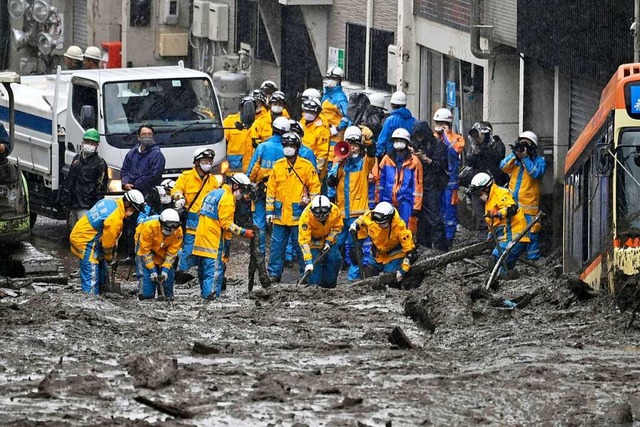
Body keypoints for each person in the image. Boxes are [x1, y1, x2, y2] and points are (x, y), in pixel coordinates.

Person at [266, 132, 321, 282]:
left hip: (299, 215)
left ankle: (306, 274)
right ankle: (274, 273)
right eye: (286, 145)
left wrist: (313, 210)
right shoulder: (278, 166)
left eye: (291, 145)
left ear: (297, 148)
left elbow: (315, 188)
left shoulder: (306, 166)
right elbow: (271, 191)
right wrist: (269, 211)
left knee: (302, 246)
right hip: (280, 215)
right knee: (276, 247)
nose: (288, 148)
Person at [70, 190, 146, 295]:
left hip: (84, 233)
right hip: (85, 240)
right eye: (133, 209)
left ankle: (102, 289)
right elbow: (107, 245)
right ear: (127, 204)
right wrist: (110, 259)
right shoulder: (115, 219)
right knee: (91, 271)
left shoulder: (109, 202)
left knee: (101, 262)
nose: (133, 212)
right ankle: (90, 297)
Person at [192, 173, 255, 300]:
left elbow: (199, 210)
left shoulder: (213, 193)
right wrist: (244, 232)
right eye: (242, 191)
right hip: (213, 240)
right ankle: (211, 296)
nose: (242, 195)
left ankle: (204, 293)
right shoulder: (227, 199)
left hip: (201, 237)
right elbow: (226, 224)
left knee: (203, 270)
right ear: (235, 185)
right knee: (214, 270)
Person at [327, 125, 376, 280]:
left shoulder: (364, 163)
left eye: (355, 145)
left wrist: (369, 142)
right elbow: (330, 181)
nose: (352, 149)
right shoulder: (340, 163)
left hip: (358, 216)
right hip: (341, 215)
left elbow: (373, 155)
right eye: (350, 145)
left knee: (356, 250)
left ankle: (352, 280)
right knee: (335, 246)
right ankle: (330, 278)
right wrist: (340, 163)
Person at [246, 116, 291, 255]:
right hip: (281, 192)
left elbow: (252, 170)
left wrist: (250, 184)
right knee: (281, 224)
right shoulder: (288, 149)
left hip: (261, 190)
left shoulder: (263, 147)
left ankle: (259, 252)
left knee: (259, 223)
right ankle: (283, 255)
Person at [120, 125, 166, 261]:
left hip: (148, 196)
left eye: (149, 134)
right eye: (144, 134)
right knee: (130, 225)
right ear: (138, 137)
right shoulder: (132, 153)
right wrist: (125, 183)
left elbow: (154, 175)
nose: (146, 137)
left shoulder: (157, 155)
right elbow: (124, 170)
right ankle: (131, 255)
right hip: (131, 195)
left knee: (146, 226)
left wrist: (136, 185)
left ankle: (146, 256)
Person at [468, 172, 530, 271]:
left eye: (479, 193)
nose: (479, 196)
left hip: (514, 237)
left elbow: (512, 208)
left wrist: (498, 213)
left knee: (495, 260)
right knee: (500, 266)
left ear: (486, 188)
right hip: (507, 238)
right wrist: (490, 234)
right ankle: (508, 277)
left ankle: (500, 279)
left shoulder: (500, 193)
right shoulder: (489, 200)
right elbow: (495, 223)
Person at [171, 148, 220, 273]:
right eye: (205, 160)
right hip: (192, 218)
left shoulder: (213, 180)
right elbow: (176, 190)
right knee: (189, 246)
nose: (208, 163)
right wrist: (179, 198)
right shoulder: (186, 176)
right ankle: (183, 272)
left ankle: (203, 272)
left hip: (208, 220)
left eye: (210, 161)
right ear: (197, 162)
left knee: (207, 247)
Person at [500, 131, 546, 260]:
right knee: (512, 231)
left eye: (526, 144)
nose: (523, 147)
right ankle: (513, 257)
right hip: (513, 204)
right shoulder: (516, 161)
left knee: (532, 233)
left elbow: (535, 173)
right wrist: (515, 154)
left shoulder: (539, 161)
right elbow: (503, 167)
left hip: (529, 206)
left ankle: (533, 260)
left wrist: (525, 158)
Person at [349, 202, 416, 282]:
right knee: (369, 271)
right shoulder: (370, 217)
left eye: (383, 223)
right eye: (378, 223)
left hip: (393, 255)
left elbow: (410, 251)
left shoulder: (400, 227)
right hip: (377, 253)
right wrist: (355, 224)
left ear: (390, 219)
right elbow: (362, 219)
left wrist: (403, 270)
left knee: (390, 277)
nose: (380, 225)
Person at [375, 128, 423, 234]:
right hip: (387, 200)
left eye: (400, 140)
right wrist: (378, 200)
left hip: (406, 199)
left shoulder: (414, 162)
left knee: (406, 226)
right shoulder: (386, 159)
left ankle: (408, 248)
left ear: (406, 142)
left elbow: (418, 185)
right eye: (396, 140)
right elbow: (380, 182)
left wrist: (416, 206)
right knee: (387, 228)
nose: (398, 143)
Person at [411, 120, 449, 251]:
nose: (419, 139)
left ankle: (441, 248)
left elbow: (441, 166)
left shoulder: (438, 145)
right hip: (419, 184)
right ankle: (424, 247)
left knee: (434, 217)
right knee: (421, 219)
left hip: (432, 184)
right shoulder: (415, 143)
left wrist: (425, 159)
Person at [60, 128, 108, 230]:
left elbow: (100, 188)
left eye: (92, 143)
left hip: (87, 207)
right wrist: (65, 201)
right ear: (82, 142)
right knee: (73, 234)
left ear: (97, 145)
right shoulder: (76, 160)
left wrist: (94, 208)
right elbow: (69, 182)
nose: (89, 145)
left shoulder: (100, 164)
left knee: (84, 234)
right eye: (87, 142)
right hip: (73, 205)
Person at [465, 121, 509, 233]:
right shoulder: (474, 146)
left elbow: (497, 160)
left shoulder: (497, 144)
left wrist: (484, 148)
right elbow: (469, 162)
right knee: (480, 212)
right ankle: (483, 234)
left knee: (495, 211)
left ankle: (496, 233)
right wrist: (476, 149)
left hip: (495, 184)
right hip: (479, 184)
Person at [433, 108, 465, 250]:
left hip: (450, 183)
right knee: (437, 211)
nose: (439, 126)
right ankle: (438, 240)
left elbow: (454, 152)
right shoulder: (433, 138)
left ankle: (449, 240)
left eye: (442, 123)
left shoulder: (457, 138)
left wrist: (445, 136)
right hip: (437, 181)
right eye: (437, 123)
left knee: (449, 213)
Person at [135, 208, 183, 300]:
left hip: (164, 248)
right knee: (147, 294)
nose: (172, 230)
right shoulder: (149, 228)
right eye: (169, 227)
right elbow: (145, 252)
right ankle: (145, 291)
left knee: (168, 280)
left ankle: (167, 293)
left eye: (174, 227)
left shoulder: (178, 231)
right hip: (146, 248)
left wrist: (165, 269)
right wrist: (152, 270)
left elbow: (172, 252)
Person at [298, 195, 344, 288]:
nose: (321, 216)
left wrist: (329, 241)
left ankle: (330, 286)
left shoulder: (335, 211)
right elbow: (304, 241)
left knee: (335, 260)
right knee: (315, 281)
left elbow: (337, 228)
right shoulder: (306, 217)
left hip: (329, 241)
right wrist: (308, 261)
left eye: (324, 214)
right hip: (312, 244)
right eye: (318, 214)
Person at [320, 67, 351, 170]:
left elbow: (347, 117)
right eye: (328, 77)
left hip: (335, 136)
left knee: (331, 163)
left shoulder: (340, 98)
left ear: (338, 80)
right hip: (324, 134)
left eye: (332, 78)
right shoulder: (327, 94)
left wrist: (337, 129)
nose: (329, 80)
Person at [376, 91, 416, 158]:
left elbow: (382, 140)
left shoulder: (390, 120)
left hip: (392, 156)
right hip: (408, 156)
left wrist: (376, 155)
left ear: (392, 105)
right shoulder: (413, 120)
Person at [223, 96, 255, 173]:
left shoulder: (260, 123)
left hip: (252, 170)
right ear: (240, 108)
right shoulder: (230, 121)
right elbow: (223, 143)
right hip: (234, 170)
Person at [300, 97, 330, 179]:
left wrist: (317, 171)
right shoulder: (302, 122)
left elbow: (322, 153)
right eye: (307, 111)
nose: (308, 114)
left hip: (313, 165)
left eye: (311, 112)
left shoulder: (322, 130)